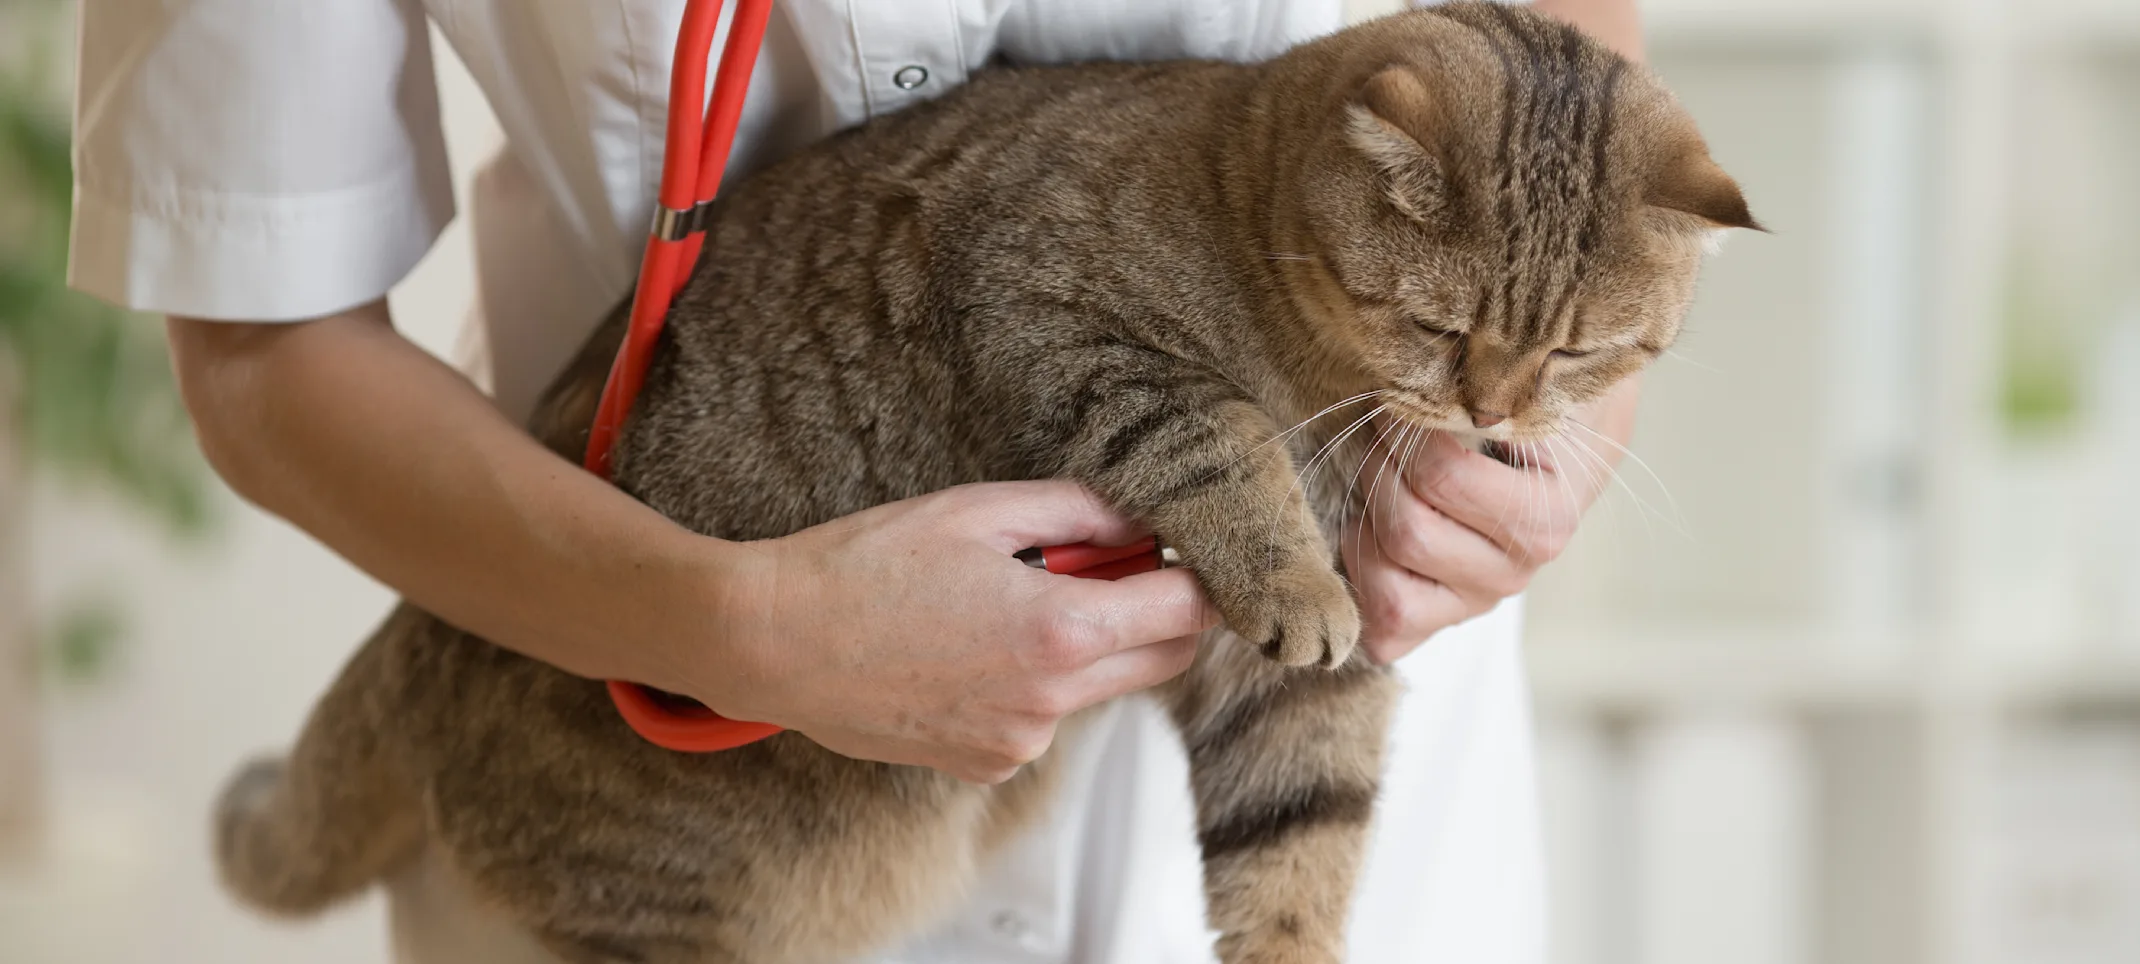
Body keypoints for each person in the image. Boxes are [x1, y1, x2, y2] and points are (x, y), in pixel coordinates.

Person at [69, 0, 1644, 961]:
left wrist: (1575, 435)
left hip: (1338, 810)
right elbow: (263, 349)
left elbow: (1583, 67)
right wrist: (732, 628)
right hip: (667, 752)